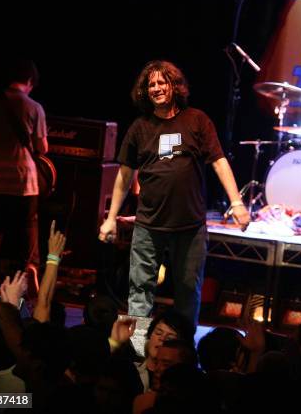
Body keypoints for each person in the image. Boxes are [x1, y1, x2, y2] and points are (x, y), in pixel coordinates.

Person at [98, 60, 250, 333]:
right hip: (148, 224)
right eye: (151, 84)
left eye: (162, 82)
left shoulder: (197, 120)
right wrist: (110, 220)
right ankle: (138, 350)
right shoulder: (139, 127)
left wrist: (237, 202)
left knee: (188, 291)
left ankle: (182, 350)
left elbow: (218, 161)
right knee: (139, 290)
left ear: (174, 85)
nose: (156, 88)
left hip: (189, 226)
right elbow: (123, 176)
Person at [0, 60, 48, 290]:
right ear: (30, 81)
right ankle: (29, 269)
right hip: (24, 182)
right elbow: (42, 148)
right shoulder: (34, 108)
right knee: (28, 227)